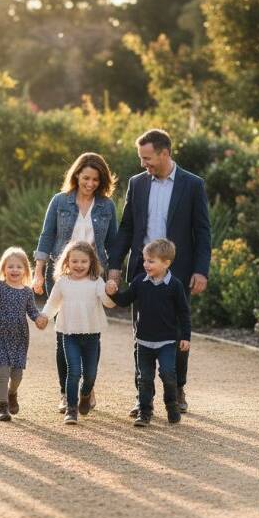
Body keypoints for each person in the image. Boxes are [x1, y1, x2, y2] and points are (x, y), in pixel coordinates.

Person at [107, 128, 211, 417]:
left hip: (177, 272)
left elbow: (202, 232)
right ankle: (143, 396)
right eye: (141, 158)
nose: (144, 164)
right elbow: (126, 227)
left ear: (165, 153)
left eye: (148, 157)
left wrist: (201, 270)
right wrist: (115, 265)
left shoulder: (192, 185)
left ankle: (177, 389)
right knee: (141, 333)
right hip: (141, 272)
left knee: (177, 333)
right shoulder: (137, 184)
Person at [33, 152, 118, 413]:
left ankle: (87, 387)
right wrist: (38, 272)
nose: (90, 183)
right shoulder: (60, 201)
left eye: (95, 179)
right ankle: (64, 392)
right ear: (76, 175)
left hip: (94, 276)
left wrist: (113, 277)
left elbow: (114, 243)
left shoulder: (106, 206)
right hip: (63, 275)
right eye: (86, 178)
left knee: (90, 330)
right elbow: (47, 236)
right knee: (64, 334)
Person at [106, 239, 191, 427]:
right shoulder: (139, 282)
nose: (146, 264)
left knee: (168, 374)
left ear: (166, 263)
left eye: (151, 261)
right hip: (144, 341)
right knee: (144, 378)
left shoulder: (175, 285)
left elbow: (184, 313)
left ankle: (171, 405)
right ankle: (144, 412)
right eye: (145, 260)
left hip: (167, 342)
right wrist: (113, 292)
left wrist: (185, 336)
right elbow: (124, 300)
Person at [41, 241, 116, 425]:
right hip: (69, 334)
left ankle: (85, 395)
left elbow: (109, 304)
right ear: (67, 262)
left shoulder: (97, 282)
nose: (79, 265)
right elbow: (52, 303)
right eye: (75, 261)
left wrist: (110, 291)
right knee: (73, 372)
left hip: (92, 336)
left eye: (84, 261)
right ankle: (71, 409)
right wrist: (44, 316)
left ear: (91, 262)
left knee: (90, 374)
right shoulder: (62, 282)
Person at [0, 247, 47, 421]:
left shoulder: (27, 292)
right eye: (10, 266)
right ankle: (2, 406)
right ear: (4, 268)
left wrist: (39, 319)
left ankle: (12, 393)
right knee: (3, 372)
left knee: (17, 375)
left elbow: (32, 311)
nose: (14, 270)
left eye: (19, 267)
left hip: (18, 337)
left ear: (25, 271)